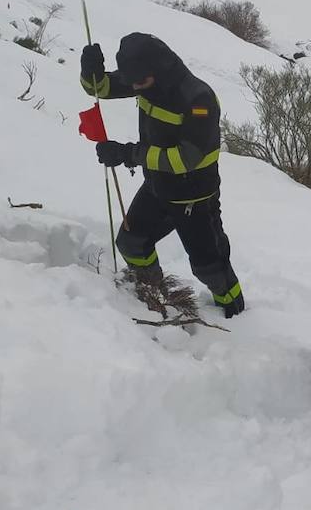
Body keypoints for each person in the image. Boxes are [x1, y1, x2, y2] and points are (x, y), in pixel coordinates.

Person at [80, 34, 244, 317]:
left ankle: (235, 313)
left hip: (194, 196)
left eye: (139, 83)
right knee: (131, 244)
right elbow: (102, 87)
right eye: (132, 82)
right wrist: (90, 72)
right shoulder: (144, 79)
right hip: (157, 187)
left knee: (209, 267)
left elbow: (186, 159)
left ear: (158, 71)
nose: (133, 88)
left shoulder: (198, 99)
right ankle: (152, 293)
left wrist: (127, 154)